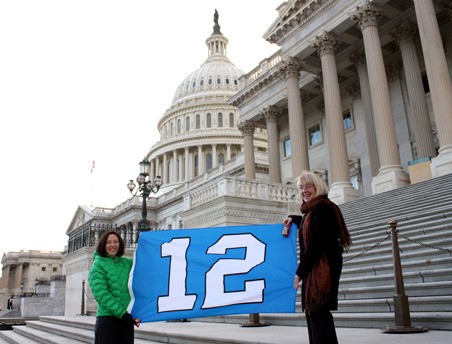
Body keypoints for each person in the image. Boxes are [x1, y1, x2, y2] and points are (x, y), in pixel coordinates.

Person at [283, 171, 351, 344]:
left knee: (318, 314)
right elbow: (311, 225)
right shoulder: (314, 209)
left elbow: (315, 243)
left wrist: (300, 272)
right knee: (316, 314)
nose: (304, 191)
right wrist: (293, 219)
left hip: (323, 268)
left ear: (317, 187)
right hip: (319, 267)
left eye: (308, 186)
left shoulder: (323, 208)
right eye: (301, 187)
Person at [88, 230, 140, 344]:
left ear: (120, 244)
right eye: (108, 242)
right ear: (103, 245)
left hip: (126, 320)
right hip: (108, 320)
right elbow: (102, 295)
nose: (112, 245)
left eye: (116, 242)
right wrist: (122, 313)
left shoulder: (127, 263)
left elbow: (144, 266)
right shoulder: (97, 265)